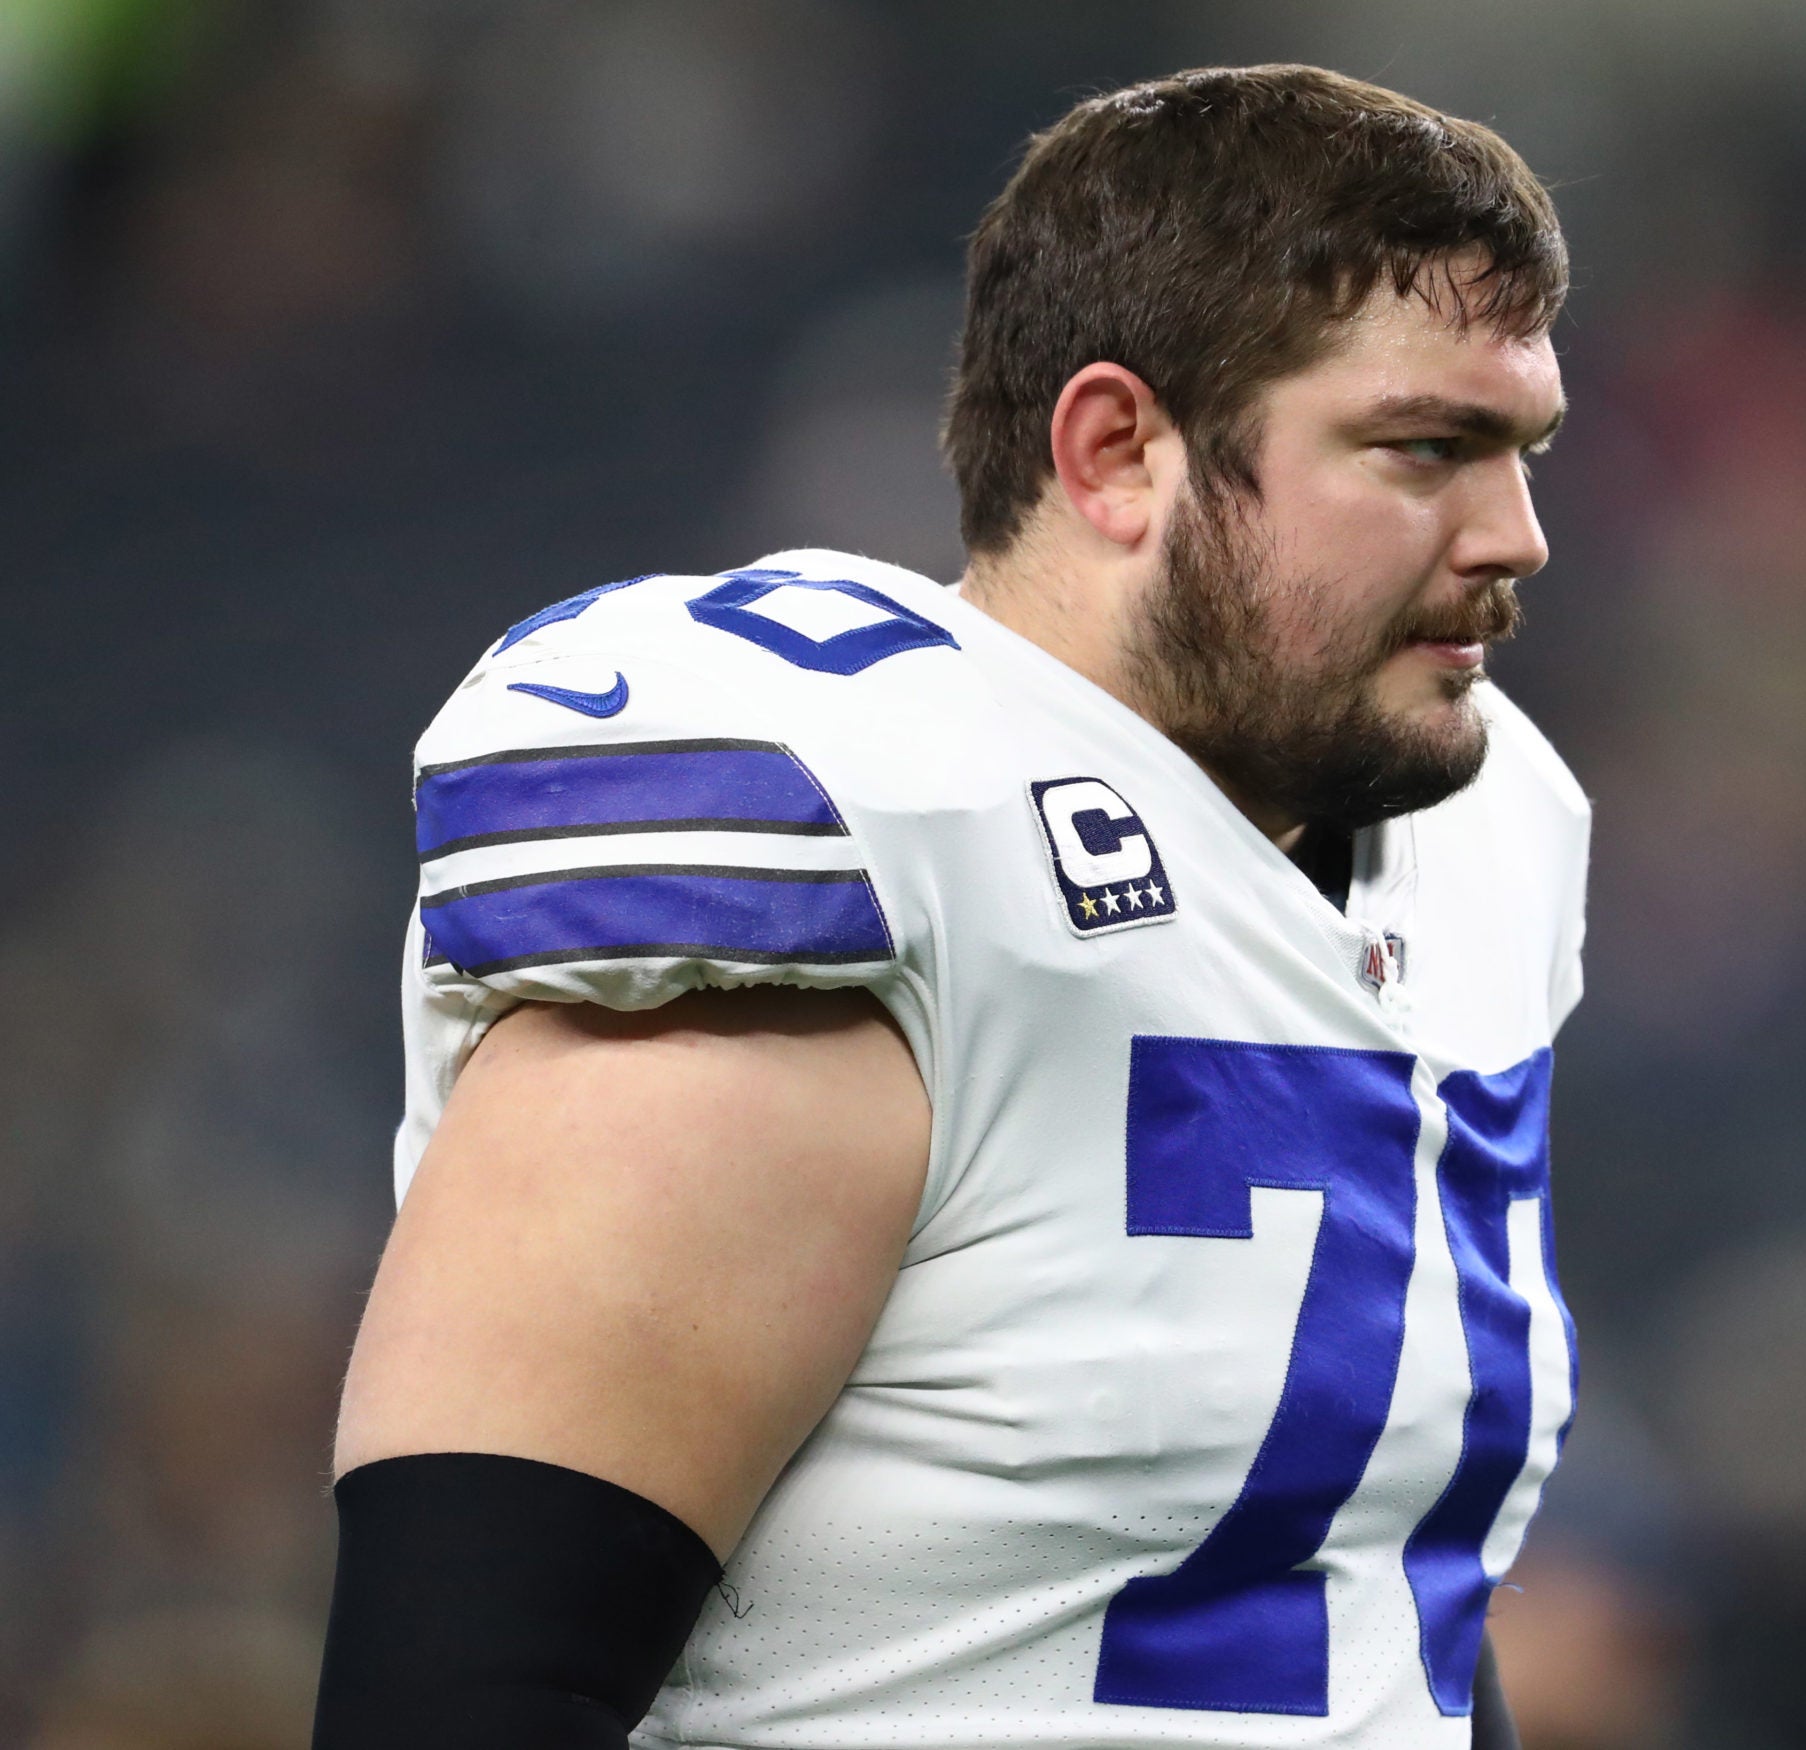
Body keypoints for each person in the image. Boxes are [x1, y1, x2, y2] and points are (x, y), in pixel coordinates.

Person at [313, 64, 1583, 1750]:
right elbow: (466, 1694)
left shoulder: (1486, 834)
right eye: (1428, 447)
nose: (1520, 535)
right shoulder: (848, 829)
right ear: (1118, 451)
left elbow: (1371, 1578)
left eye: (1525, 449)